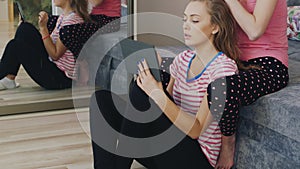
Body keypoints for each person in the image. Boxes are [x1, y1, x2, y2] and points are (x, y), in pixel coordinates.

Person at [90, 0, 241, 168]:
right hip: (166, 150)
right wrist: (154, 79)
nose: (186, 26)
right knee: (101, 99)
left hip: (195, 158)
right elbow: (167, 107)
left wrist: (155, 91)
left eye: (195, 20)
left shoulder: (222, 70)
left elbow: (196, 129)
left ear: (215, 27)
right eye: (184, 19)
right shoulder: (183, 59)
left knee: (143, 92)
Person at [205, 0, 289, 168]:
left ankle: (228, 144)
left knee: (222, 88)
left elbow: (254, 31)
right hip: (234, 58)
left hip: (270, 64)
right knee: (170, 72)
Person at [0, 0, 90, 90]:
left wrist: (43, 29)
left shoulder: (72, 21)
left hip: (59, 78)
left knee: (15, 46)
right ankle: (9, 79)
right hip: (54, 66)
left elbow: (55, 55)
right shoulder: (64, 17)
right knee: (24, 28)